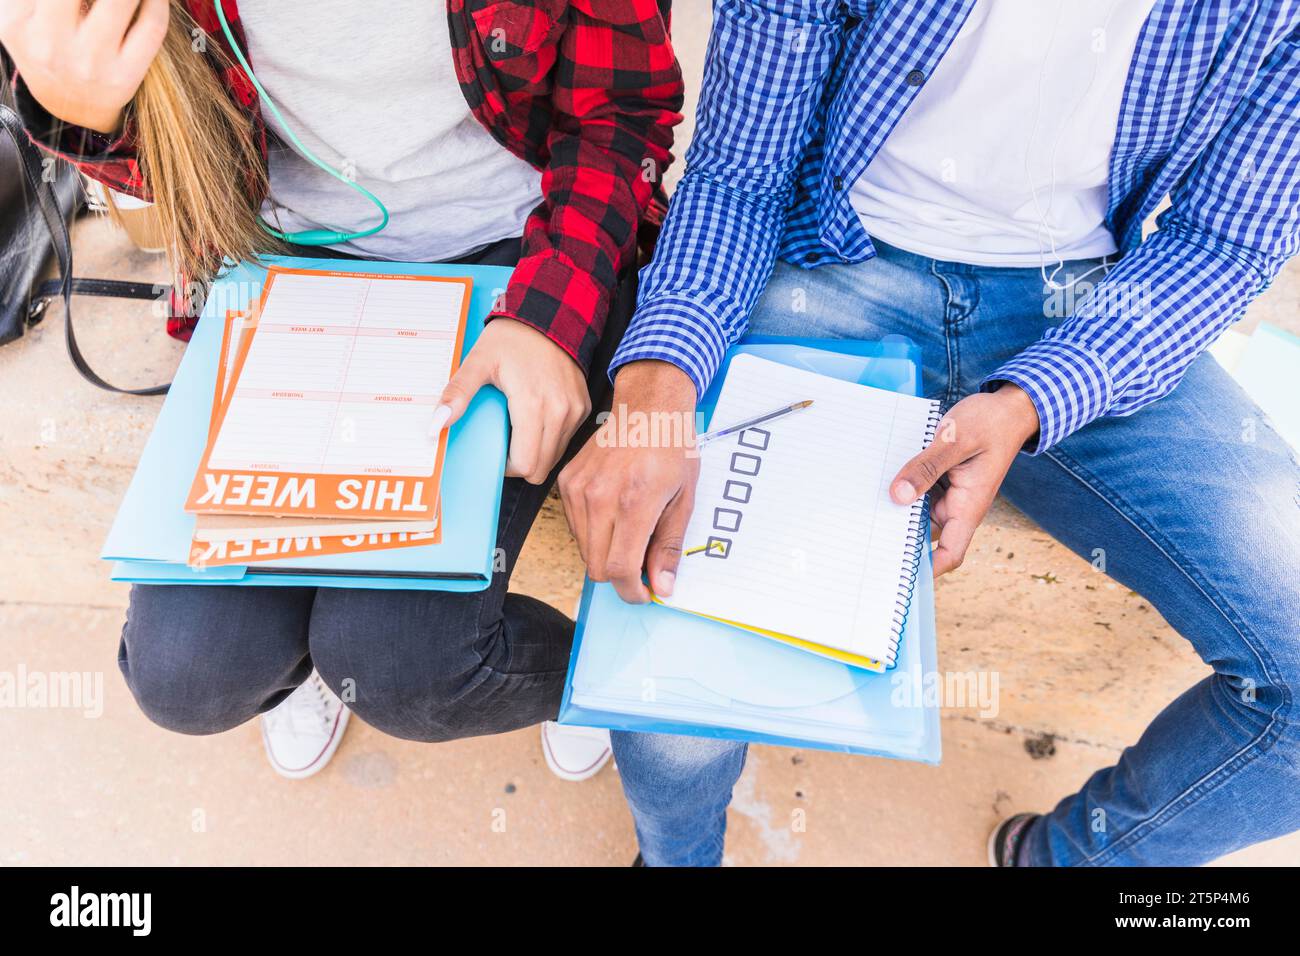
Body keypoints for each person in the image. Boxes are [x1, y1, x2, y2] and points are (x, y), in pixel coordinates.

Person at [559, 0, 1300, 865]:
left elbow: (1224, 243)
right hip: (829, 253)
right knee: (666, 653)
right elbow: (739, 172)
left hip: (1088, 301)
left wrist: (1034, 397)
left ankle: (1069, 859)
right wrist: (657, 383)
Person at [2, 0, 681, 780]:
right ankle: (303, 656)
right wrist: (85, 116)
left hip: (519, 246)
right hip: (281, 254)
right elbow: (173, 161)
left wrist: (549, 314)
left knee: (407, 668)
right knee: (186, 673)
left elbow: (620, 113)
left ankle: (604, 682)